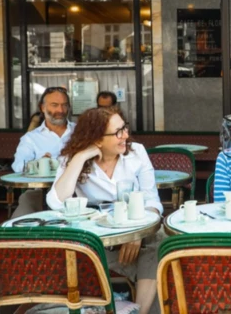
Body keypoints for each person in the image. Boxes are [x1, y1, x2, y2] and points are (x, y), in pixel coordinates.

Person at [45, 106, 162, 314]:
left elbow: (152, 200)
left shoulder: (137, 153)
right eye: (118, 132)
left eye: (125, 128)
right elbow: (56, 201)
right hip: (93, 246)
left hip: (133, 244)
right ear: (97, 138)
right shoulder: (73, 158)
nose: (125, 135)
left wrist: (137, 233)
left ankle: (140, 311)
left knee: (158, 241)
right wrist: (81, 157)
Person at [11, 87, 75, 218]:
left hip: (76, 191)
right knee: (18, 221)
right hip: (39, 193)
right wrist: (38, 163)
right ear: (42, 107)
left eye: (64, 105)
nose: (60, 110)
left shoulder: (81, 132)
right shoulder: (31, 138)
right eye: (54, 105)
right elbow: (17, 166)